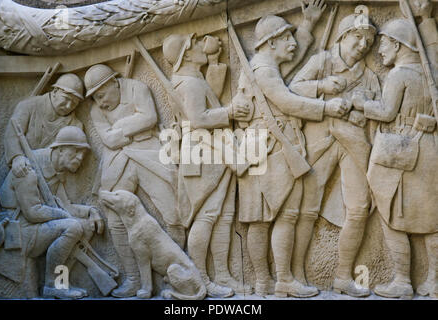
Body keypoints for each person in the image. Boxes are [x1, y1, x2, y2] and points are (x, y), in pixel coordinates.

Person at [234, 1, 349, 297]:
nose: (292, 43)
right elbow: (287, 101)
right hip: (270, 147)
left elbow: (294, 65)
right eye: (286, 37)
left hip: (264, 147)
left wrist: (308, 25)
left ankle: (265, 282)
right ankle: (280, 279)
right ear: (271, 43)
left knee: (263, 217)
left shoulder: (266, 66)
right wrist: (327, 107)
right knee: (281, 214)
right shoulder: (263, 71)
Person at [289, 12, 381, 297]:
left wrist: (361, 111)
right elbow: (293, 89)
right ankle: (295, 275)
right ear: (342, 36)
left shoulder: (369, 77)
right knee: (306, 209)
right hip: (321, 143)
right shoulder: (322, 62)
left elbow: (380, 114)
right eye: (358, 37)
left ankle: (343, 277)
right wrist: (322, 87)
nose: (363, 44)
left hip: (354, 146)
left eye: (368, 41)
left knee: (358, 208)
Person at [356, 18, 438, 299]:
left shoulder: (399, 74)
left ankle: (402, 281)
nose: (380, 51)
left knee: (389, 212)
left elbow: (387, 112)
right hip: (429, 149)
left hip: (400, 150)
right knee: (432, 219)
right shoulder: (430, 73)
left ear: (399, 45)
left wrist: (361, 104)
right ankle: (434, 282)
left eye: (384, 43)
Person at [162, 32, 249, 297]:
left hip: (212, 151)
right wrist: (230, 112)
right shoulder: (188, 83)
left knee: (223, 216)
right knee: (207, 215)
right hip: (201, 152)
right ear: (187, 53)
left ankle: (221, 273)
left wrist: (213, 60)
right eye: (197, 43)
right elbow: (198, 119)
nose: (202, 44)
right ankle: (201, 278)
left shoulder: (193, 78)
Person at [85, 64, 183, 298]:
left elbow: (149, 118)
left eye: (101, 95)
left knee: (173, 211)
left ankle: (179, 271)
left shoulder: (137, 88)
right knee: (116, 219)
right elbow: (109, 141)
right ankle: (133, 279)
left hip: (149, 151)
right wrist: (133, 127)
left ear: (113, 83)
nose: (100, 103)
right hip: (118, 159)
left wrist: (120, 127)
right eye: (95, 98)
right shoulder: (96, 111)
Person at [0, 126, 104, 299]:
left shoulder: (55, 172)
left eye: (83, 154)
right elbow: (33, 212)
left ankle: (62, 282)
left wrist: (91, 211)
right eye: (75, 152)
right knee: (72, 227)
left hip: (31, 228)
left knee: (84, 225)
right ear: (60, 149)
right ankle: (53, 286)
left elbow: (66, 206)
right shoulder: (28, 170)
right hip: (17, 231)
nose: (80, 158)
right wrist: (64, 216)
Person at [4, 73, 84, 179]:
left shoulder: (75, 127)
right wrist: (16, 157)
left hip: (48, 180)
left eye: (74, 103)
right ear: (55, 91)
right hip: (19, 171)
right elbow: (11, 135)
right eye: (66, 99)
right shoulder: (28, 106)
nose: (69, 106)